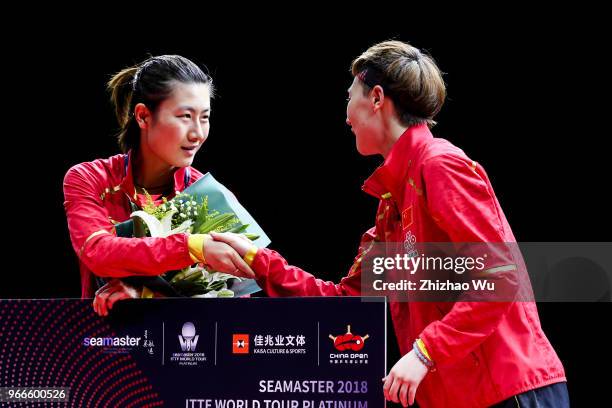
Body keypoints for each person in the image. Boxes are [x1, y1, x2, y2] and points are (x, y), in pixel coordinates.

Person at [94, 43, 569, 407]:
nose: (346, 115)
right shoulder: (391, 202)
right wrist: (259, 262)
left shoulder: (439, 166)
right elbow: (346, 301)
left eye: (350, 98)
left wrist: (425, 352)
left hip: (509, 388)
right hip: (453, 396)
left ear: (376, 98)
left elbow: (501, 280)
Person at [63, 55, 252, 316]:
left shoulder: (210, 196)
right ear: (142, 116)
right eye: (185, 116)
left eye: (204, 117)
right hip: (100, 346)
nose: (197, 133)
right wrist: (194, 246)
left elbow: (236, 302)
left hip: (188, 351)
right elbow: (98, 251)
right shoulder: (89, 178)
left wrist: (149, 295)